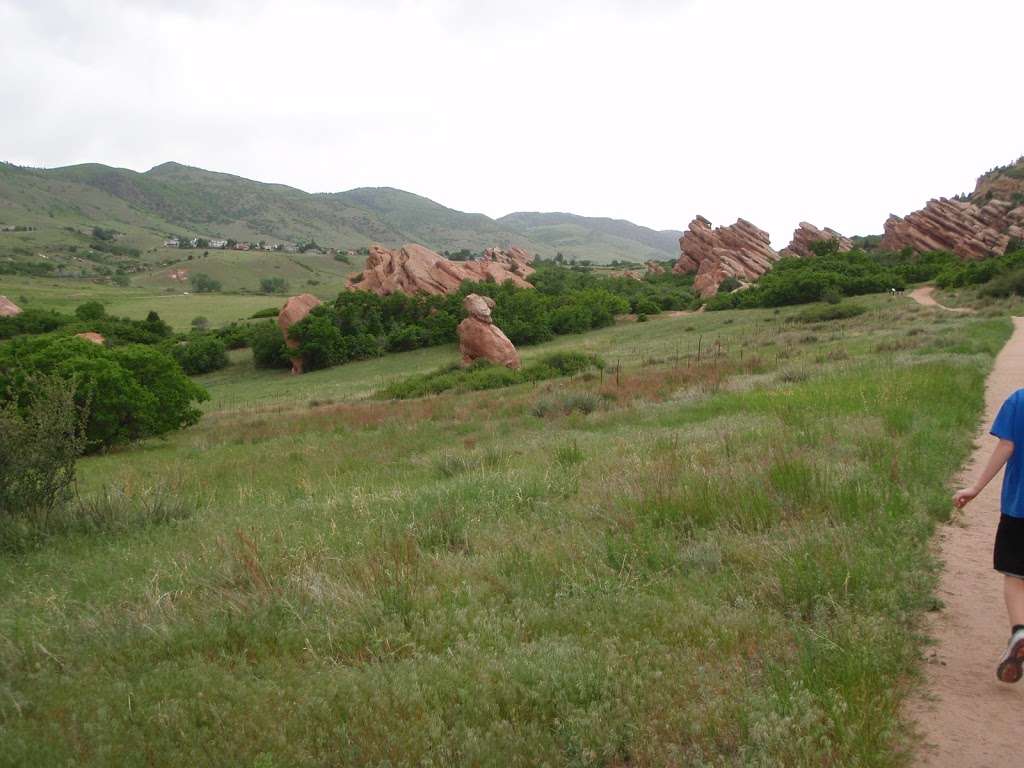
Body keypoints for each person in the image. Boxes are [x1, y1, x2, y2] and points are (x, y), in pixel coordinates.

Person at [954, 389, 1024, 683]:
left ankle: (1020, 632)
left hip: (1019, 509)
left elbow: (1007, 446)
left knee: (1016, 579)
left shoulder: (1018, 401)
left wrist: (976, 487)